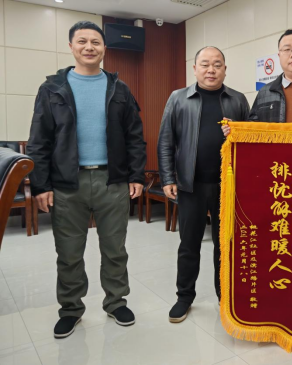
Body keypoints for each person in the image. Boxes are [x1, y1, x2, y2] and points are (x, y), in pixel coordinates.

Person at [26, 20, 146, 339]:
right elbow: (39, 140)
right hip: (67, 183)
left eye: (95, 42)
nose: (89, 47)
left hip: (112, 181)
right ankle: (70, 309)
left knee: (115, 248)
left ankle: (116, 302)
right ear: (71, 47)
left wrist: (136, 174)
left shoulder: (119, 89)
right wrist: (41, 185)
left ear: (104, 48)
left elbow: (134, 136)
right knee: (68, 252)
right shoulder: (52, 89)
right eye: (82, 41)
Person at [158, 46, 250, 323]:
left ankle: (226, 296)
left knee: (226, 245)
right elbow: (166, 141)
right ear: (195, 68)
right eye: (205, 64)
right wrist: (168, 178)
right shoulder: (178, 98)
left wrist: (238, 133)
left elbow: (252, 141)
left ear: (225, 69)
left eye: (217, 65)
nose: (211, 70)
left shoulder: (237, 100)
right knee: (189, 244)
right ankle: (184, 297)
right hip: (191, 185)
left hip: (229, 186)